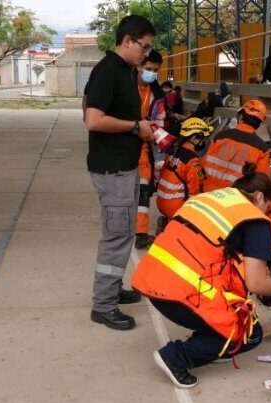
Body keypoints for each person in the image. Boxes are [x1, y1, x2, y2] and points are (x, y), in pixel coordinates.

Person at [132, 166, 271, 388]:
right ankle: (176, 357)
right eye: (268, 206)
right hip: (179, 294)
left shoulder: (207, 200)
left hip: (153, 279)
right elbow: (256, 284)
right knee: (249, 332)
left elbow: (219, 253)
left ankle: (214, 343)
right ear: (259, 197)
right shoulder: (254, 219)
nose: (266, 212)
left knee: (228, 314)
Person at [83, 14, 157, 331]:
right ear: (127, 41)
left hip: (122, 164)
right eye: (145, 46)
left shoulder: (125, 71)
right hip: (112, 169)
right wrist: (134, 126)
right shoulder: (108, 71)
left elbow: (87, 101)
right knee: (116, 236)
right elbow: (92, 118)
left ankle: (112, 289)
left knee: (124, 232)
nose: (147, 54)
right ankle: (103, 305)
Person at [200, 99, 271, 191]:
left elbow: (203, 165)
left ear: (240, 116)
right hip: (235, 198)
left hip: (208, 193)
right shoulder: (262, 148)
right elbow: (262, 183)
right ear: (259, 123)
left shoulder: (221, 136)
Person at [134, 50, 167, 250]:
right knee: (127, 191)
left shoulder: (157, 95)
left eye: (155, 70)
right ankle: (127, 228)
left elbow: (160, 123)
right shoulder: (126, 87)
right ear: (139, 66)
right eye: (148, 69)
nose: (152, 73)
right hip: (125, 147)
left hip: (144, 149)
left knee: (144, 192)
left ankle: (140, 233)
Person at [155, 117, 211, 222]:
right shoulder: (192, 160)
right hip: (175, 207)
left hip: (161, 202)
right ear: (194, 137)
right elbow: (195, 190)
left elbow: (162, 174)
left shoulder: (173, 152)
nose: (203, 142)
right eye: (202, 139)